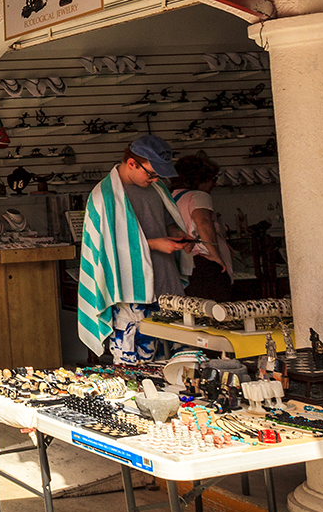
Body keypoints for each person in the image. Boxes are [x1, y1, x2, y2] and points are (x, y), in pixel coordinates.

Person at [74, 134, 188, 362]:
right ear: (132, 163)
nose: (155, 179)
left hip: (165, 284)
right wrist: (155, 244)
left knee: (178, 361)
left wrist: (177, 233)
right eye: (152, 173)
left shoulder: (157, 188)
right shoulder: (104, 196)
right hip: (130, 293)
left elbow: (165, 221)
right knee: (135, 365)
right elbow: (106, 250)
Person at [172, 153, 240, 302]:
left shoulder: (175, 197)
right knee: (217, 309)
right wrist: (216, 255)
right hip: (206, 262)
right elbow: (203, 222)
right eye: (212, 179)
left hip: (186, 263)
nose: (214, 185)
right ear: (200, 179)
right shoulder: (199, 196)